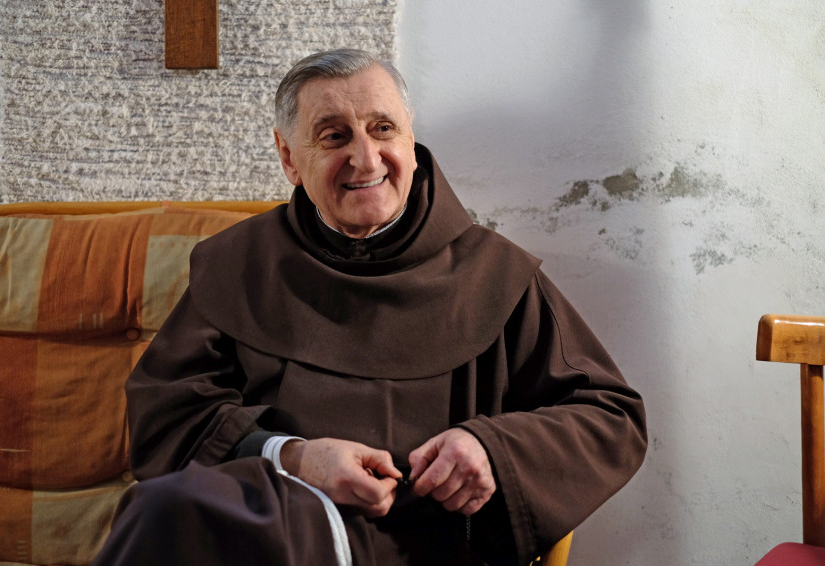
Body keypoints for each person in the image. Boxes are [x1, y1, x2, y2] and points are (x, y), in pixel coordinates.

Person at [92, 49, 647, 566]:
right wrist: (293, 457)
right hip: (275, 522)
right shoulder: (238, 263)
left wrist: (490, 448)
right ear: (288, 157)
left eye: (383, 129)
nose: (365, 158)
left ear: (411, 138)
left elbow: (610, 418)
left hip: (432, 542)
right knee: (162, 511)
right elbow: (168, 415)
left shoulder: (494, 272)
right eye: (334, 136)